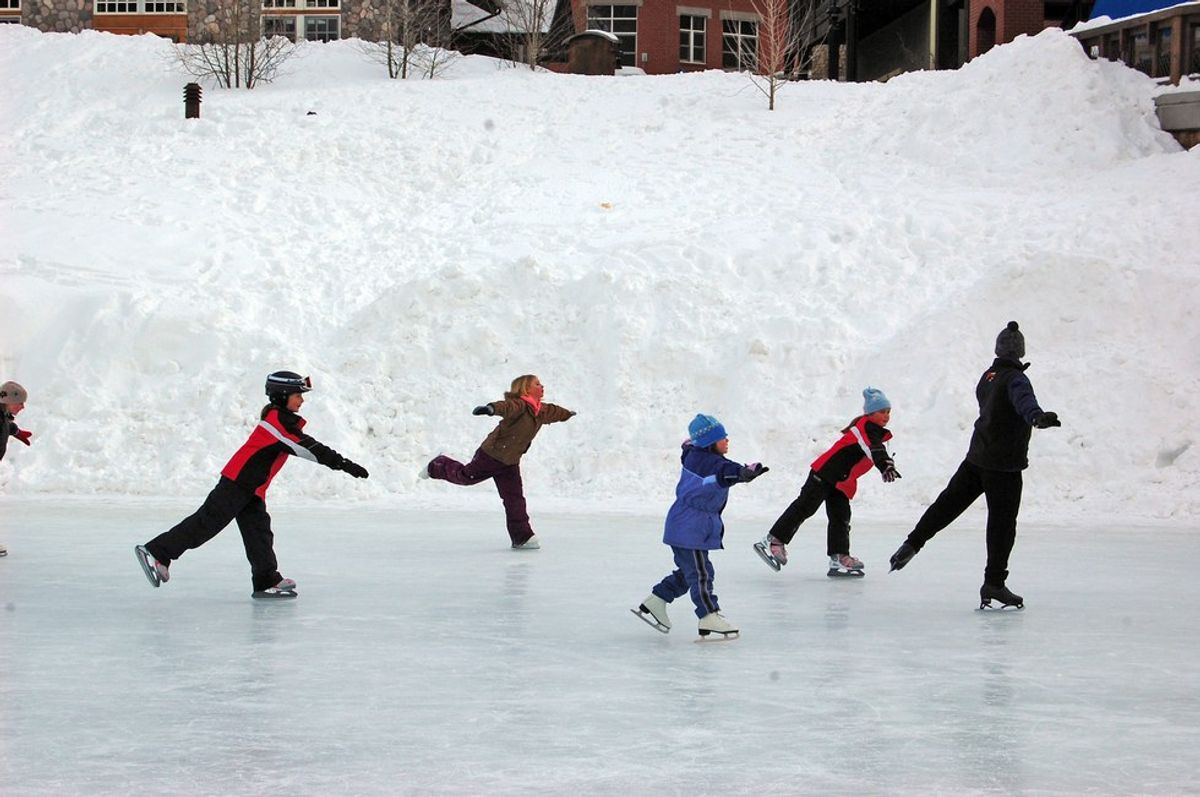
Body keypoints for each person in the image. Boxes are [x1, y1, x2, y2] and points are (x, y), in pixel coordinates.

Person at [134, 371, 370, 600]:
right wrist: (345, 464)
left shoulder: (281, 422)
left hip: (252, 489)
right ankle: (157, 552)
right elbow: (309, 448)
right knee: (206, 523)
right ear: (283, 395)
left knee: (259, 534)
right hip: (237, 484)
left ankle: (266, 581)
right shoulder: (276, 425)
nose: (301, 400)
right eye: (298, 395)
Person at [888, 322, 1060, 609]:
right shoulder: (1015, 379)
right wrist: (1036, 418)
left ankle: (913, 542)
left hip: (977, 458)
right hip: (1003, 467)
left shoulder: (988, 376)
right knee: (1002, 527)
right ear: (1020, 351)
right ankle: (994, 582)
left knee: (947, 504)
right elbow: (1023, 401)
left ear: (998, 349)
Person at [632, 414, 768, 639]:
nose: (727, 440)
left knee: (691, 573)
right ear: (709, 443)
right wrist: (744, 473)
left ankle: (656, 601)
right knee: (701, 573)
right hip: (689, 527)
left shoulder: (696, 456)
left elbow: (696, 454)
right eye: (722, 437)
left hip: (687, 525)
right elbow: (725, 471)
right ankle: (708, 615)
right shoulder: (708, 463)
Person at [754, 387, 900, 577]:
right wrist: (884, 464)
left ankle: (839, 556)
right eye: (882, 411)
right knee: (805, 507)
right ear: (870, 413)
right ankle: (773, 541)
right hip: (824, 473)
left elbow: (875, 449)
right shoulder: (864, 428)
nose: (886, 416)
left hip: (841, 481)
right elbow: (873, 449)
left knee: (841, 516)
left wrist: (887, 464)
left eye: (888, 412)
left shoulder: (874, 431)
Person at [420, 374, 574, 549]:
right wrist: (491, 409)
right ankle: (437, 465)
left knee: (514, 499)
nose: (542, 386)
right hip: (492, 455)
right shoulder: (520, 405)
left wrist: (567, 414)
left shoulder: (541, 410)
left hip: (510, 461)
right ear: (525, 389)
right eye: (537, 384)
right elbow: (506, 407)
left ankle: (522, 537)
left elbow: (555, 411)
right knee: (466, 477)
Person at [1, 381, 33, 558]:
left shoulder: (3, 415)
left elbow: (7, 425)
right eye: (20, 402)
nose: (22, 407)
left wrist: (18, 432)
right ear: (8, 400)